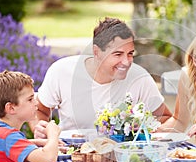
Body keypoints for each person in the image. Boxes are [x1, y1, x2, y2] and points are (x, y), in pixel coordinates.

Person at [31, 17, 172, 138]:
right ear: (96, 52)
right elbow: (39, 110)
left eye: (130, 53)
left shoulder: (139, 77)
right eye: (118, 54)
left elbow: (165, 118)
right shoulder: (62, 71)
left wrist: (147, 132)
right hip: (71, 155)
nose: (127, 62)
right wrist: (42, 130)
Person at [0, 70, 61, 162]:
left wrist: (39, 142)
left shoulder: (2, 132)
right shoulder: (9, 137)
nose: (36, 102)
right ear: (11, 108)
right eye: (30, 99)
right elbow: (48, 159)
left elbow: (8, 147)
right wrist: (52, 135)